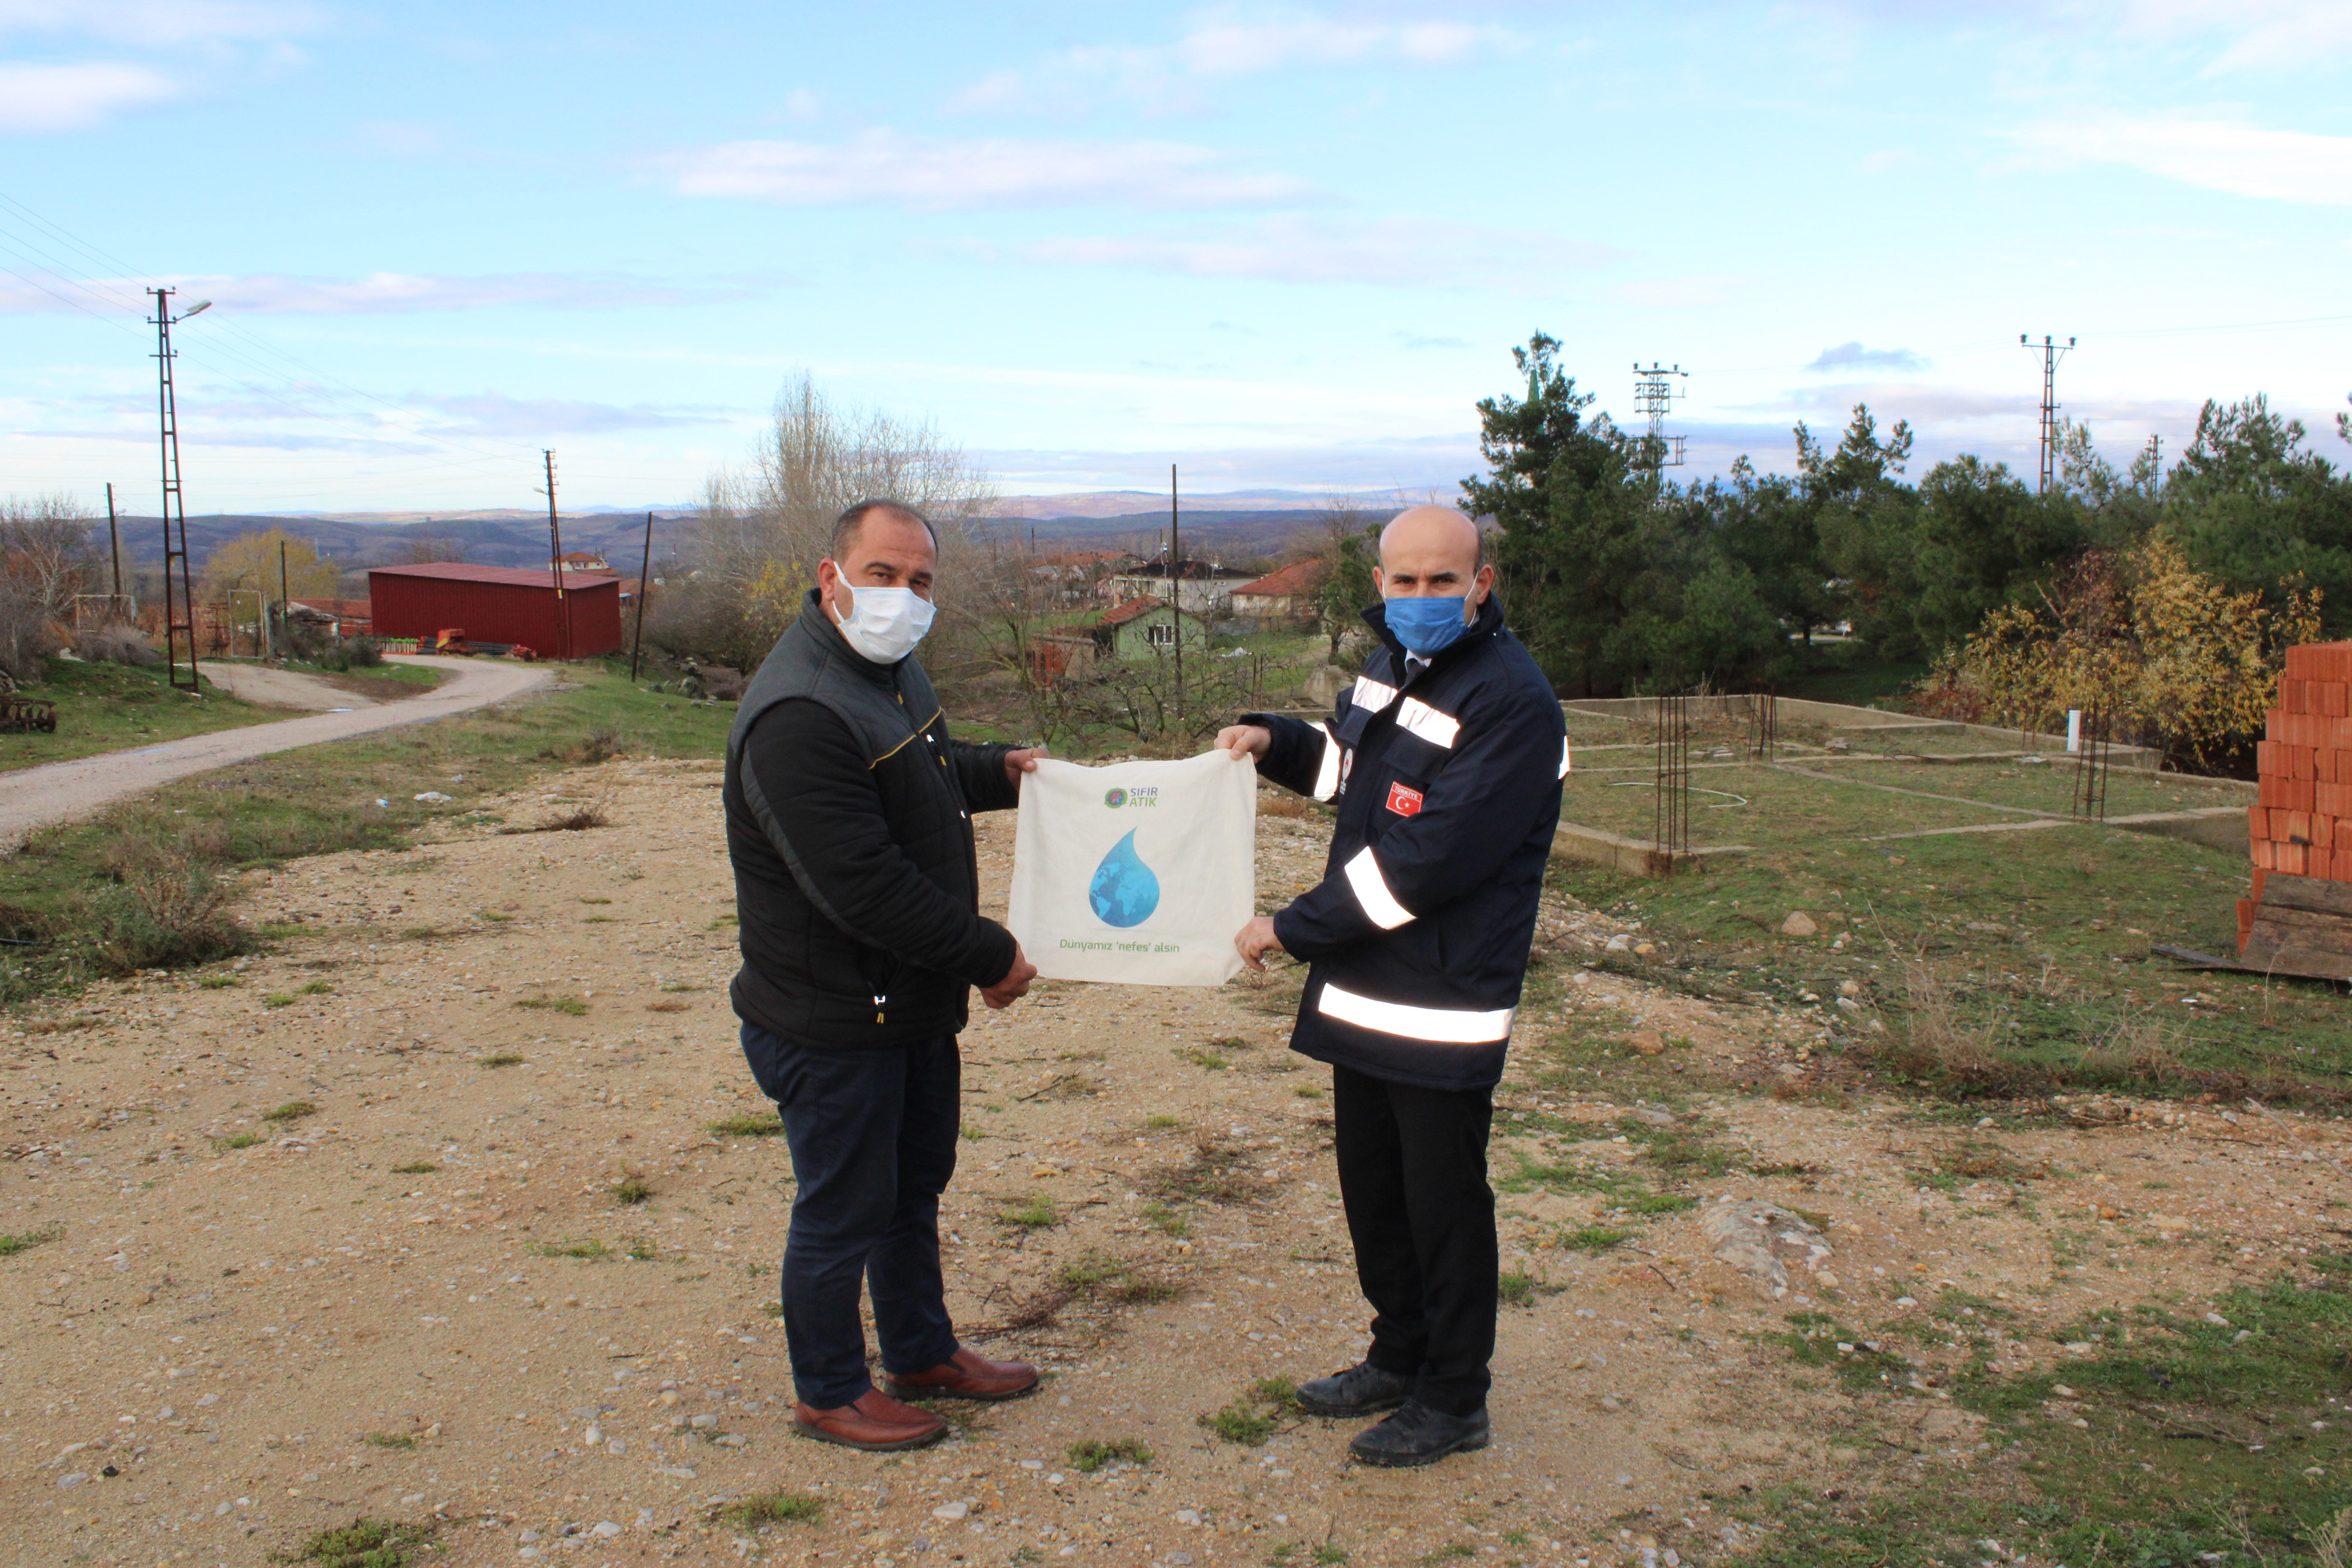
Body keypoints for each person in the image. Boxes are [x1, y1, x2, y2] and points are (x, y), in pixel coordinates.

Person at [1214, 504, 1567, 1467]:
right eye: (1403, 581)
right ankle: (1399, 1354)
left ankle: (1455, 1397)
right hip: (1367, 986)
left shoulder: (1512, 701)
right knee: (1376, 1192)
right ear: (1380, 584)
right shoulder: (1393, 667)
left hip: (1443, 1002)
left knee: (1442, 1204)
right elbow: (1351, 768)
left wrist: (1290, 928)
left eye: (1441, 581)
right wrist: (1274, 741)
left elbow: (1424, 861)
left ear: (1480, 585)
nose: (1420, 598)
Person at [724, 499, 1046, 1452]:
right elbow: (861, 886)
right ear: (832, 579)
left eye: (920, 582)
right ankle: (828, 1389)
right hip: (832, 1019)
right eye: (883, 575)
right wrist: (993, 956)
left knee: (911, 1189)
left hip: (901, 1008)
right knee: (844, 1209)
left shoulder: (887, 670)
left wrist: (1003, 770)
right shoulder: (797, 713)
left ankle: (918, 1350)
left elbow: (924, 774)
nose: (904, 598)